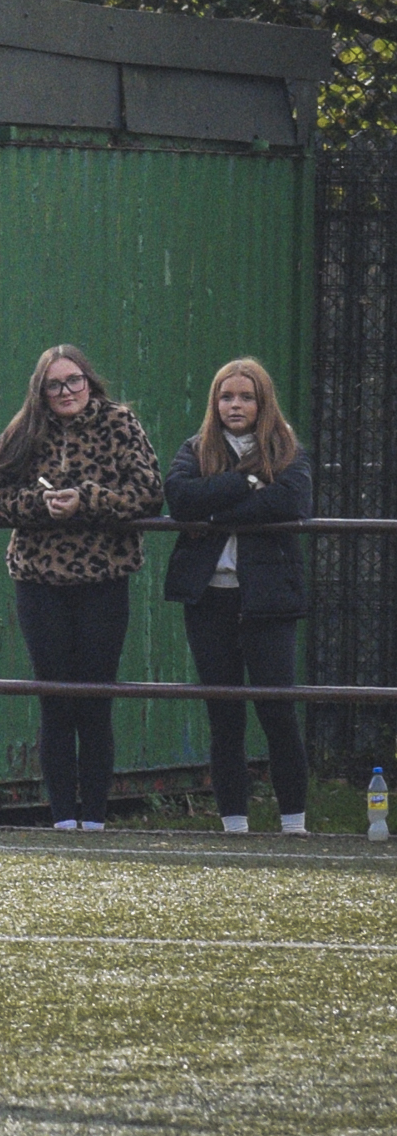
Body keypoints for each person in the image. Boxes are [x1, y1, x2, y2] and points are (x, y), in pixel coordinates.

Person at [0, 343, 162, 832]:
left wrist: (88, 501)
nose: (66, 392)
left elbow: (148, 493)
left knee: (95, 699)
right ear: (41, 389)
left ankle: (96, 819)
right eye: (55, 384)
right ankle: (62, 819)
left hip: (104, 578)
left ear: (88, 380)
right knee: (55, 700)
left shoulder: (120, 424)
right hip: (39, 582)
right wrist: (42, 507)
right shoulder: (23, 430)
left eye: (73, 381)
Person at [163, 357, 315, 836]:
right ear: (215, 402)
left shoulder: (287, 448)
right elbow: (180, 497)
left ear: (261, 401)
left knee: (277, 711)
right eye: (227, 396)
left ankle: (294, 823)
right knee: (224, 713)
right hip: (209, 599)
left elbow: (290, 500)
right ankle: (234, 825)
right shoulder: (195, 448)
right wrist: (245, 482)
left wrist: (218, 506)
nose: (235, 405)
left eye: (246, 396)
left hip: (268, 600)